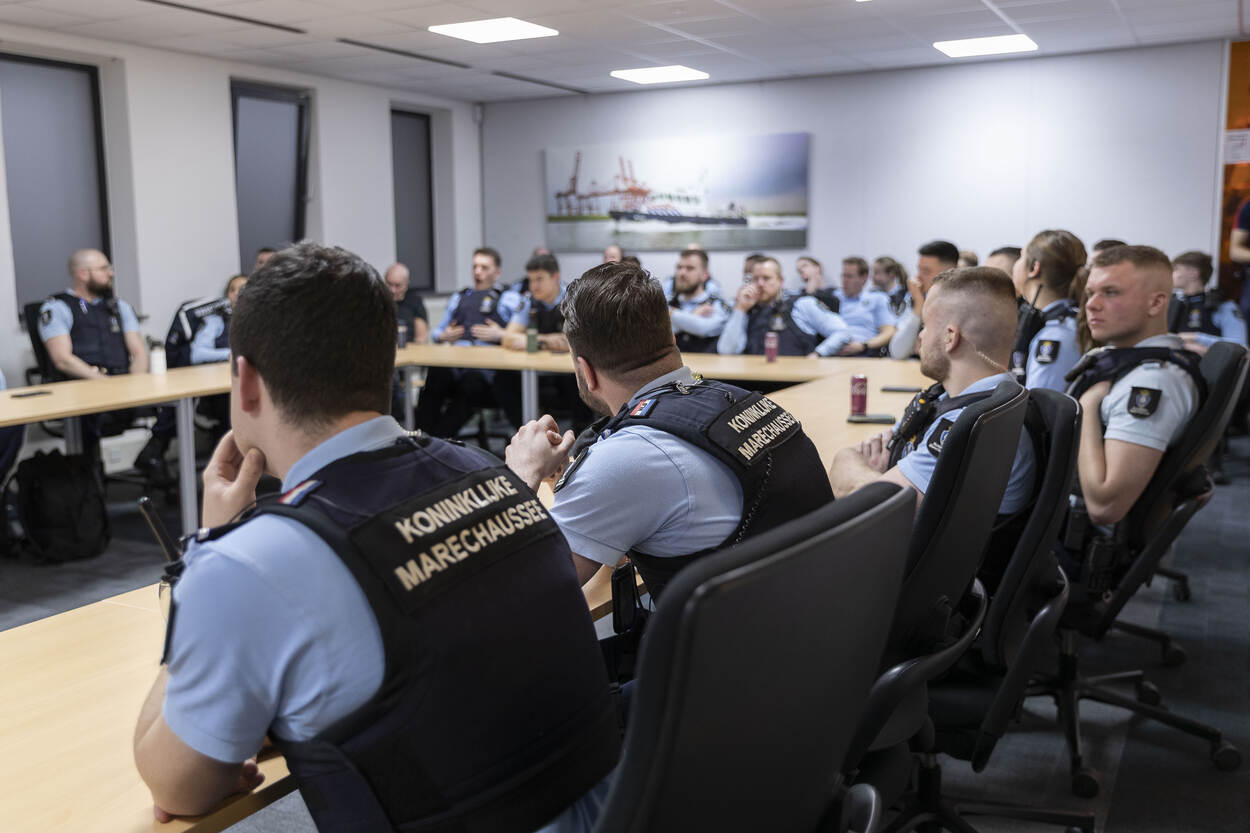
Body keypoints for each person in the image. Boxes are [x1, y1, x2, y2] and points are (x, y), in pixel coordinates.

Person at [133, 243, 619, 831]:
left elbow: (176, 787)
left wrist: (206, 556)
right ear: (385, 363)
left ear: (246, 382)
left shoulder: (250, 561)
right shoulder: (487, 472)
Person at [504, 260, 832, 604]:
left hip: (731, 636)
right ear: (671, 339)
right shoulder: (744, 401)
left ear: (586, 370)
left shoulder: (627, 458)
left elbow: (523, 586)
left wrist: (519, 477)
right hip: (813, 617)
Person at [830, 267, 1035, 516]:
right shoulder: (961, 399)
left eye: (926, 325)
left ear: (950, 337)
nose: (920, 336)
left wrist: (848, 459)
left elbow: (862, 502)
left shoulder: (969, 425)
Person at [1064, 245, 1203, 537]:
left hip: (1075, 542)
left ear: (1155, 303)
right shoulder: (1120, 360)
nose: (1091, 305)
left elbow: (1105, 506)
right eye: (1090, 293)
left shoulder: (1153, 383)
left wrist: (1086, 407)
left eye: (1111, 292)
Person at [38, 248, 150, 465]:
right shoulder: (57, 307)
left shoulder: (119, 307)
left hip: (122, 388)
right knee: (87, 421)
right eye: (103, 268)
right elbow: (62, 359)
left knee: (169, 409)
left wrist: (135, 386)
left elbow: (139, 353)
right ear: (83, 274)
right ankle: (87, 478)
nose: (111, 273)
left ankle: (152, 461)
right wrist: (106, 385)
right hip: (81, 391)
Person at [415, 247, 521, 437]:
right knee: (436, 376)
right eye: (475, 267)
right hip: (456, 361)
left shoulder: (509, 298)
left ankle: (439, 440)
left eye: (484, 267)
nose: (477, 272)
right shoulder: (459, 297)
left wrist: (501, 334)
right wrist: (444, 335)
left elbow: (522, 333)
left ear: (497, 272)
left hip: (486, 368)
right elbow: (437, 333)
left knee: (470, 386)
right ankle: (420, 437)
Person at [497, 253, 593, 432]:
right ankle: (527, 431)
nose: (534, 286)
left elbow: (577, 341)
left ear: (555, 277)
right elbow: (508, 338)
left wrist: (530, 340)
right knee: (502, 380)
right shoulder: (528, 301)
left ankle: (581, 436)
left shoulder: (574, 299)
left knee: (579, 378)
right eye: (531, 280)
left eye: (539, 279)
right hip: (538, 370)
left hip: (568, 371)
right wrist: (546, 341)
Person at [717, 256, 852, 357]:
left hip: (795, 380)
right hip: (753, 382)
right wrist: (740, 309)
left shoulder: (802, 304)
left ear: (780, 281)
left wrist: (818, 353)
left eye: (766, 278)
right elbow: (726, 351)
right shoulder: (747, 310)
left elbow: (842, 332)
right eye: (755, 279)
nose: (760, 283)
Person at [1010, 230, 1086, 390]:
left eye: (1021, 257)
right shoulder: (1061, 322)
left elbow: (1041, 402)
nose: (1015, 265)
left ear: (1034, 268)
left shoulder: (1055, 335)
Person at [889, 240, 959, 359]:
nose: (918, 277)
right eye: (918, 270)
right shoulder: (918, 297)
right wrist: (919, 306)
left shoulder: (963, 305)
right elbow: (897, 352)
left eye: (926, 272)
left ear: (950, 273)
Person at [1169, 250, 1246, 352]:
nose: (1171, 275)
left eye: (1176, 269)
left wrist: (1196, 337)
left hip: (1206, 361)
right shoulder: (1172, 304)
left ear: (1194, 274)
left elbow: (1240, 345)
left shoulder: (1222, 306)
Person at [660, 248, 729, 353]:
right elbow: (658, 334)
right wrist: (693, 316)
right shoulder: (668, 302)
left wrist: (670, 313)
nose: (682, 273)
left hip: (706, 362)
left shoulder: (717, 305)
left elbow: (704, 328)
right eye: (679, 267)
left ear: (705, 275)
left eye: (690, 268)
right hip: (674, 362)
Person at [835, 257, 897, 356]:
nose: (844, 280)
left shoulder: (877, 299)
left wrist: (863, 345)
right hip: (831, 349)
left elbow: (889, 332)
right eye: (843, 276)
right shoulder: (834, 296)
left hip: (863, 352)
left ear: (864, 278)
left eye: (849, 276)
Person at [384, 262, 430, 345]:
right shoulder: (377, 301)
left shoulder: (415, 302)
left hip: (408, 348)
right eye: (389, 284)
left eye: (397, 285)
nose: (392, 290)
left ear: (406, 285)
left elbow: (421, 339)